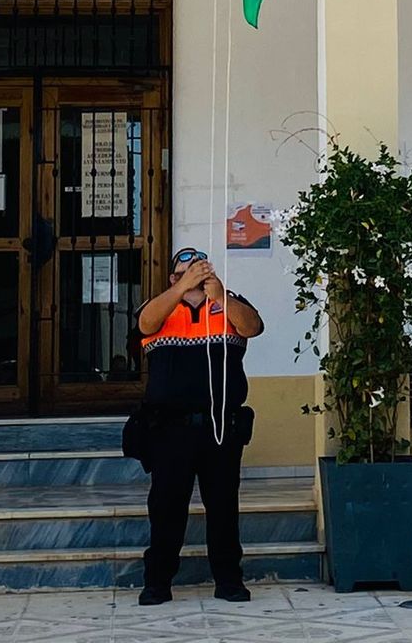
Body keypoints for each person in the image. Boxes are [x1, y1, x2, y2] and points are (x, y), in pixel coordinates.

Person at [134, 247, 264, 606]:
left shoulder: (227, 304)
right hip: (170, 430)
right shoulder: (160, 305)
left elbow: (251, 327)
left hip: (220, 426)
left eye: (200, 270)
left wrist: (219, 295)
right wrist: (181, 287)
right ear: (173, 277)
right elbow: (145, 324)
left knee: (223, 507)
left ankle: (229, 581)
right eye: (185, 272)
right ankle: (157, 582)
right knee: (166, 508)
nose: (193, 276)